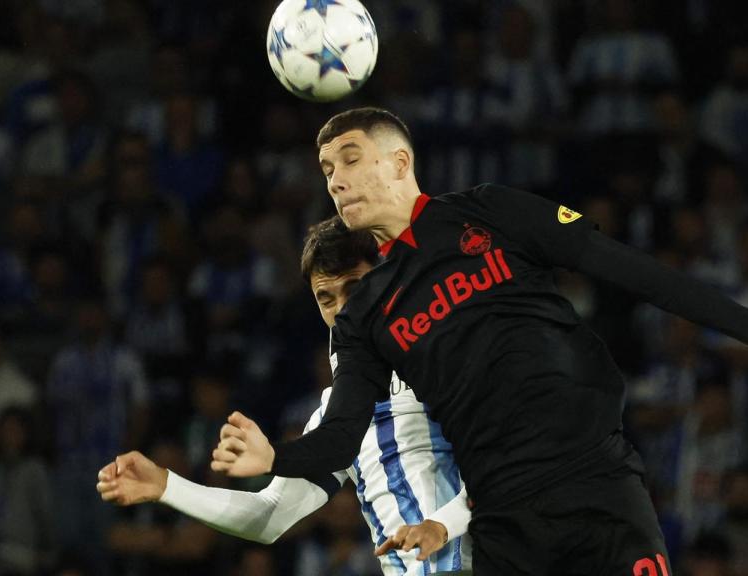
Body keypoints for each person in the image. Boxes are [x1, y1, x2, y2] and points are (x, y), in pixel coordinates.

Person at [209, 107, 748, 574]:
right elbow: (341, 434)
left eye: (349, 159)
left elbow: (637, 272)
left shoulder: (491, 213)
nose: (336, 179)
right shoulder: (361, 319)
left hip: (598, 484)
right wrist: (277, 458)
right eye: (326, 169)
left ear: (399, 161)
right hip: (505, 525)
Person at [97, 216, 472, 575]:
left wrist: (441, 525)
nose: (343, 310)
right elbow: (269, 516)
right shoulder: (334, 419)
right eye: (327, 298)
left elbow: (513, 469)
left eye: (355, 288)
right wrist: (166, 486)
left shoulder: (454, 364)